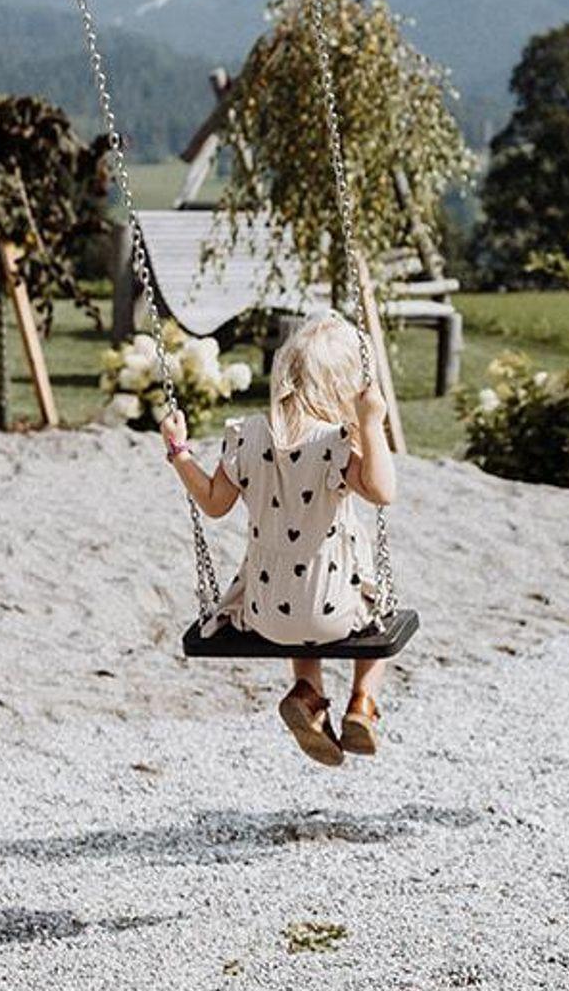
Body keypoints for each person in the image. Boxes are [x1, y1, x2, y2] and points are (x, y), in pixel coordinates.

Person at [161, 312, 398, 768]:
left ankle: (307, 693)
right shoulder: (335, 443)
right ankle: (362, 704)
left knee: (293, 590)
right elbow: (383, 491)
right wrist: (371, 424)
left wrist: (179, 451)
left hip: (267, 615)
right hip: (335, 613)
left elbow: (213, 503)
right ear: (345, 387)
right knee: (379, 606)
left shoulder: (247, 436)